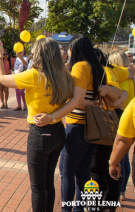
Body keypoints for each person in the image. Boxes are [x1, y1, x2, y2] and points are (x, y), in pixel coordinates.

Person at [34, 35, 121, 212]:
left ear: (75, 50)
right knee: (82, 173)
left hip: (78, 126)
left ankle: (67, 209)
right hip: (93, 129)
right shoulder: (95, 66)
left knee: (67, 173)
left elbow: (78, 99)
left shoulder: (80, 67)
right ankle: (78, 209)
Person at [0, 38, 74, 212]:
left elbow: (1, 78)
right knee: (48, 182)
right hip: (58, 130)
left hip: (40, 133)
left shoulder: (35, 75)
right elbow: (73, 101)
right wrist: (54, 116)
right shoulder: (65, 76)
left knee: (38, 186)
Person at [108, 52, 134, 201]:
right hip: (125, 120)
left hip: (122, 120)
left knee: (120, 157)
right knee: (124, 158)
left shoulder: (124, 80)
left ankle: (119, 191)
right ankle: (122, 190)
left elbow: (123, 95)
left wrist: (116, 102)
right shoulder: (130, 77)